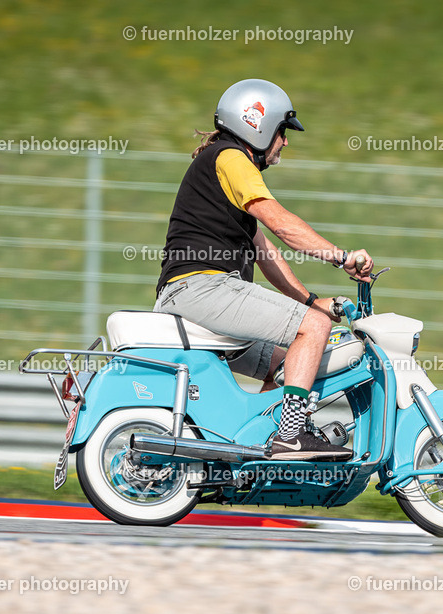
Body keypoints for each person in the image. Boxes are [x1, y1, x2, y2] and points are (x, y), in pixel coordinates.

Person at [153, 78, 373, 462]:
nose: (285, 142)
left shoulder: (223, 167)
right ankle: (290, 436)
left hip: (200, 294)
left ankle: (253, 447)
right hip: (201, 290)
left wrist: (310, 300)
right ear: (258, 125)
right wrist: (341, 257)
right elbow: (281, 225)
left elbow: (266, 254)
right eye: (282, 131)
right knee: (313, 329)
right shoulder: (231, 159)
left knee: (290, 362)